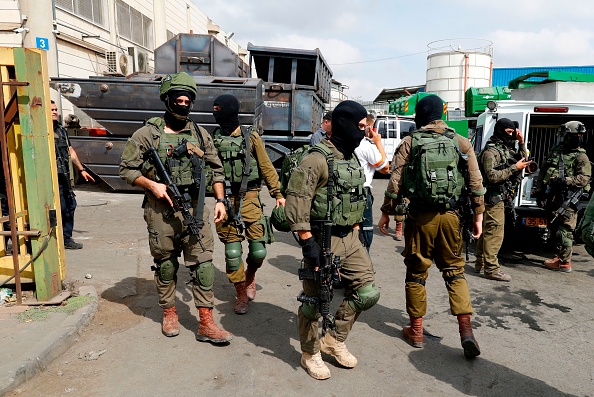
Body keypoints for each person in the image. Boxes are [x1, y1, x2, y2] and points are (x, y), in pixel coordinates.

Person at [119, 72, 232, 344]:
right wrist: (151, 185)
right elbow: (126, 169)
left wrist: (220, 200)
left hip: (194, 209)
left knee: (203, 264)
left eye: (187, 100)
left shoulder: (200, 134)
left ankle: (206, 321)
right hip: (161, 211)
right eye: (178, 99)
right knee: (166, 264)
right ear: (167, 100)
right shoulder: (148, 134)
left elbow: (217, 170)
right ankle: (169, 312)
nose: (183, 104)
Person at [378, 95, 484, 359]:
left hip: (420, 217)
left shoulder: (410, 142)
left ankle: (415, 331)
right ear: (440, 114)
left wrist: (386, 213)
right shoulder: (460, 142)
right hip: (451, 216)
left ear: (420, 115)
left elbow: (395, 181)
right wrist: (479, 215)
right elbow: (475, 180)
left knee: (416, 273)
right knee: (455, 272)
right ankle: (466, 331)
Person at [285, 100, 380, 380]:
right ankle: (310, 352)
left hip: (351, 237)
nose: (364, 132)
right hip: (323, 239)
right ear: (344, 125)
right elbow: (296, 203)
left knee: (367, 292)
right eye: (360, 126)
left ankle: (334, 339)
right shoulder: (316, 158)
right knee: (314, 301)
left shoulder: (350, 157)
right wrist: (307, 243)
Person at [211, 94, 285, 315]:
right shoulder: (213, 139)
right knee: (233, 253)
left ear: (230, 110)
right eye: (214, 109)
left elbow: (266, 166)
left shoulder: (250, 137)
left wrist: (277, 194)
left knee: (259, 251)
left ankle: (250, 275)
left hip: (251, 198)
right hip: (225, 201)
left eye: (218, 108)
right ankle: (240, 291)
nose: (215, 113)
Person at [474, 118, 531, 282]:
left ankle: (481, 263)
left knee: (487, 231)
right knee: (495, 233)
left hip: (499, 197)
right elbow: (492, 177)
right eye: (508, 133)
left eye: (512, 133)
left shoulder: (505, 149)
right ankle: (491, 269)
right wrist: (515, 168)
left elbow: (523, 160)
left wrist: (521, 143)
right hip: (492, 198)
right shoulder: (490, 152)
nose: (511, 135)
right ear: (499, 131)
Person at [533, 121, 591, 272]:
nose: (577, 138)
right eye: (573, 135)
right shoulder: (556, 151)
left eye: (579, 135)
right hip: (552, 197)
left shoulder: (581, 157)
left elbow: (584, 179)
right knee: (554, 228)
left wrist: (564, 180)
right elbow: (544, 171)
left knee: (565, 230)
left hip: (568, 199)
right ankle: (559, 257)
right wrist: (539, 191)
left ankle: (565, 262)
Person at [51, 100, 95, 249]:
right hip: (50, 178)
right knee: (59, 207)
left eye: (56, 109)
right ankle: (53, 239)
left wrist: (82, 170)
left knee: (70, 205)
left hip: (64, 175)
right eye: (51, 109)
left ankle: (66, 238)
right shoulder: (41, 132)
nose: (55, 112)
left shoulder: (62, 131)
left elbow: (71, 152)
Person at [354, 113, 390, 251]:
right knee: (365, 233)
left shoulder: (336, 141)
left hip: (341, 194)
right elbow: (385, 168)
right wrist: (378, 142)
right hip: (362, 194)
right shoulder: (366, 146)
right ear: (367, 127)